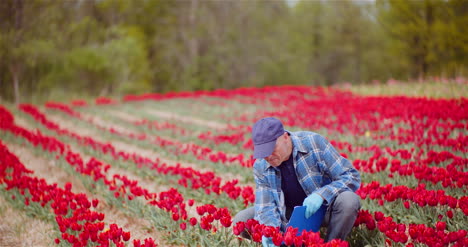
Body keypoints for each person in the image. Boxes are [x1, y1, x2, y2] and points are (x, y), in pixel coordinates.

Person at [233, 117, 361, 247]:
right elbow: (266, 206)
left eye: (272, 149)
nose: (268, 156)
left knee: (349, 200)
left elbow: (351, 176)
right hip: (286, 214)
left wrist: (322, 195)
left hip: (324, 210)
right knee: (242, 220)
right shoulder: (261, 165)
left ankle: (331, 243)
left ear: (285, 137)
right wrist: (270, 232)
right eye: (263, 152)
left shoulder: (314, 143)